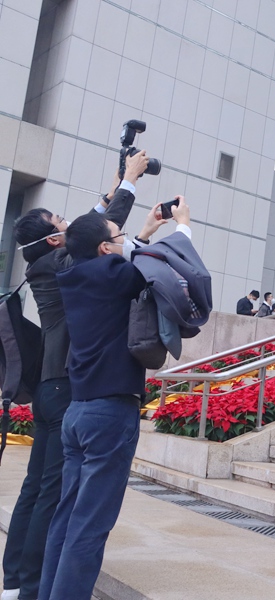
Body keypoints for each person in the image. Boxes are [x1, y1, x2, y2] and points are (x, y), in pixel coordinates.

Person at [3, 153, 149, 600]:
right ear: (52, 239)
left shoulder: (43, 266)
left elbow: (91, 232)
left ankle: (14, 577)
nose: (68, 225)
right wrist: (129, 183)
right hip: (70, 387)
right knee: (55, 495)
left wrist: (115, 188)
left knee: (38, 488)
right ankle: (31, 585)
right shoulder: (65, 263)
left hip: (49, 389)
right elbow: (95, 239)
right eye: (60, 222)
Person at [39, 200, 193, 600]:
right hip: (109, 414)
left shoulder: (73, 274)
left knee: (66, 518)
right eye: (117, 236)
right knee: (90, 527)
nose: (123, 241)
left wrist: (141, 232)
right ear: (106, 248)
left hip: (79, 412)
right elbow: (163, 273)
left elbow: (126, 264)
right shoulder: (112, 273)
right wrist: (183, 228)